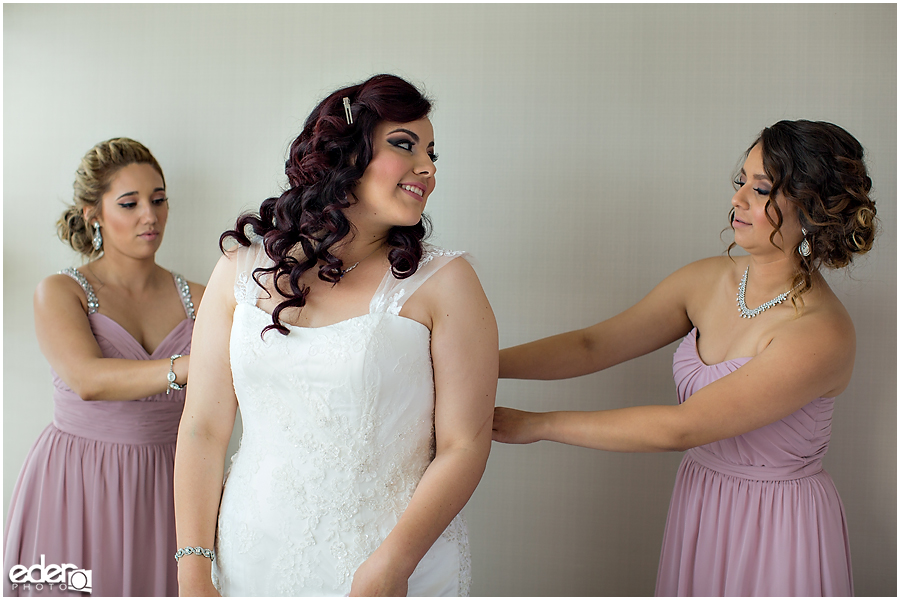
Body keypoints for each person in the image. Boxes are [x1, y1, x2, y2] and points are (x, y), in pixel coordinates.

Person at [492, 120, 876, 596]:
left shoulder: (820, 333)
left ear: (813, 210)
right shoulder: (705, 280)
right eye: (741, 182)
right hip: (702, 502)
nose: (737, 200)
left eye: (760, 190)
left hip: (778, 523)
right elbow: (594, 344)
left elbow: (683, 427)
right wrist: (484, 364)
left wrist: (536, 425)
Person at [174, 74, 498, 597]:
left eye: (432, 153)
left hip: (386, 563)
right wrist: (193, 566)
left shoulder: (446, 283)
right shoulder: (240, 269)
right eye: (404, 145)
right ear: (345, 154)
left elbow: (464, 444)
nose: (428, 168)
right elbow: (203, 429)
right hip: (249, 553)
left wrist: (391, 567)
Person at [3, 138, 204, 596]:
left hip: (172, 481)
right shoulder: (59, 291)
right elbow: (88, 380)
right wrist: (192, 365)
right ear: (94, 213)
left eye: (158, 200)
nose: (149, 216)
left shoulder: (204, 296)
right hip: (78, 479)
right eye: (129, 203)